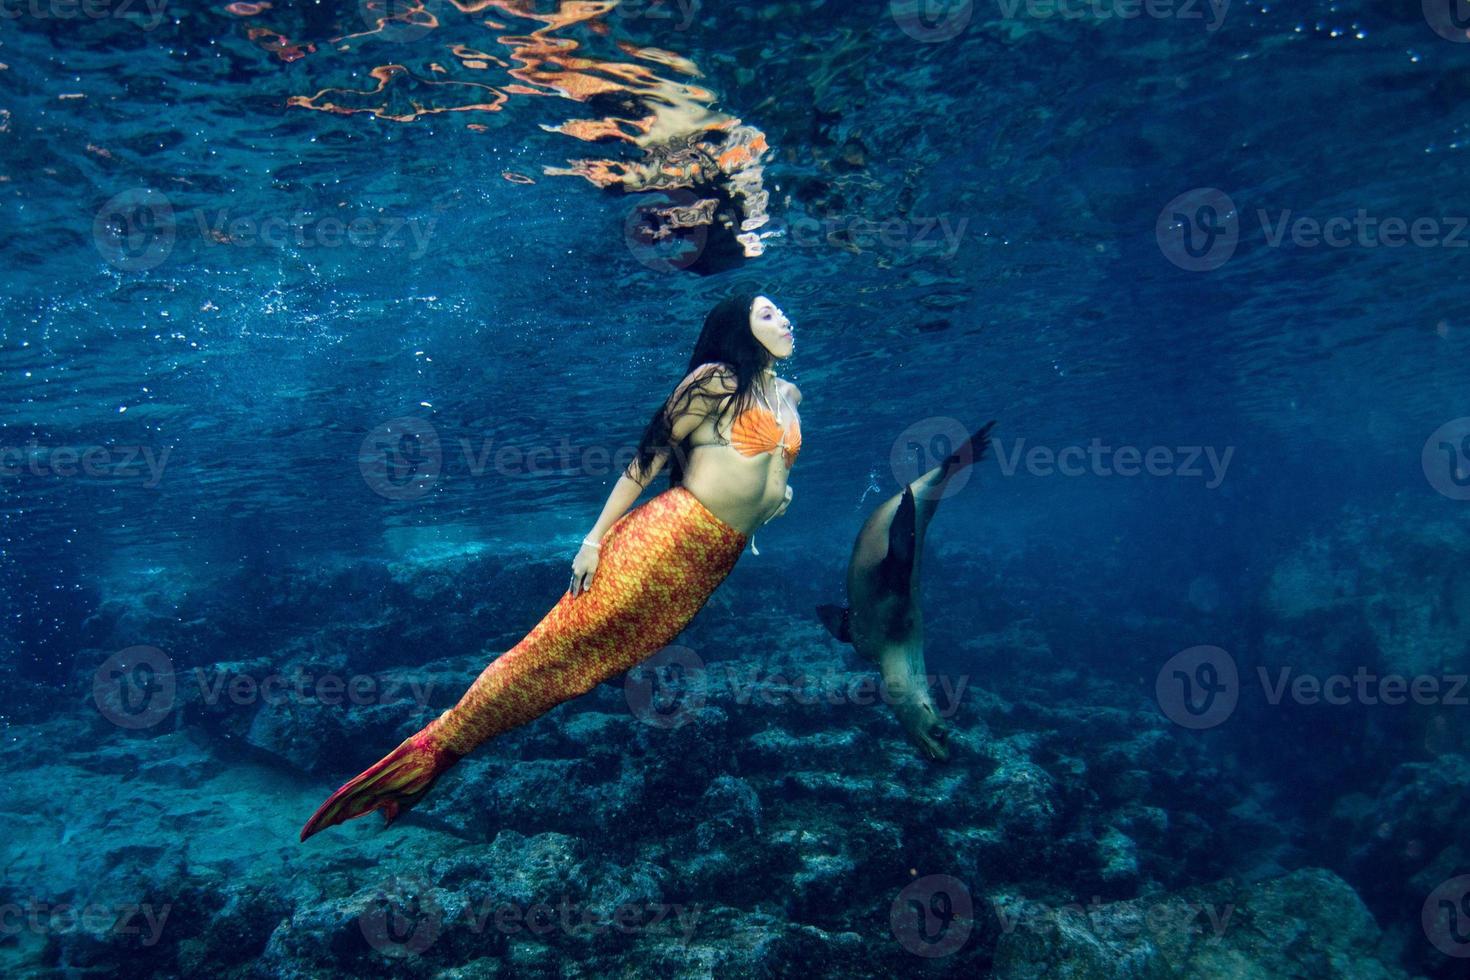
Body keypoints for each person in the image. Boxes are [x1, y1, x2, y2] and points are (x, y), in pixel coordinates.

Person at [300, 290, 802, 840]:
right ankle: (431, 748)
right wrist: (594, 539)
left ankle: (437, 762)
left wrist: (774, 502)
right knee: (555, 648)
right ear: (738, 328)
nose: (783, 318)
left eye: (780, 310)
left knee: (587, 669)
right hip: (666, 538)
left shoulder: (789, 394)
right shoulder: (715, 381)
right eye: (767, 313)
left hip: (710, 561)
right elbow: (646, 461)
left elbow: (755, 469)